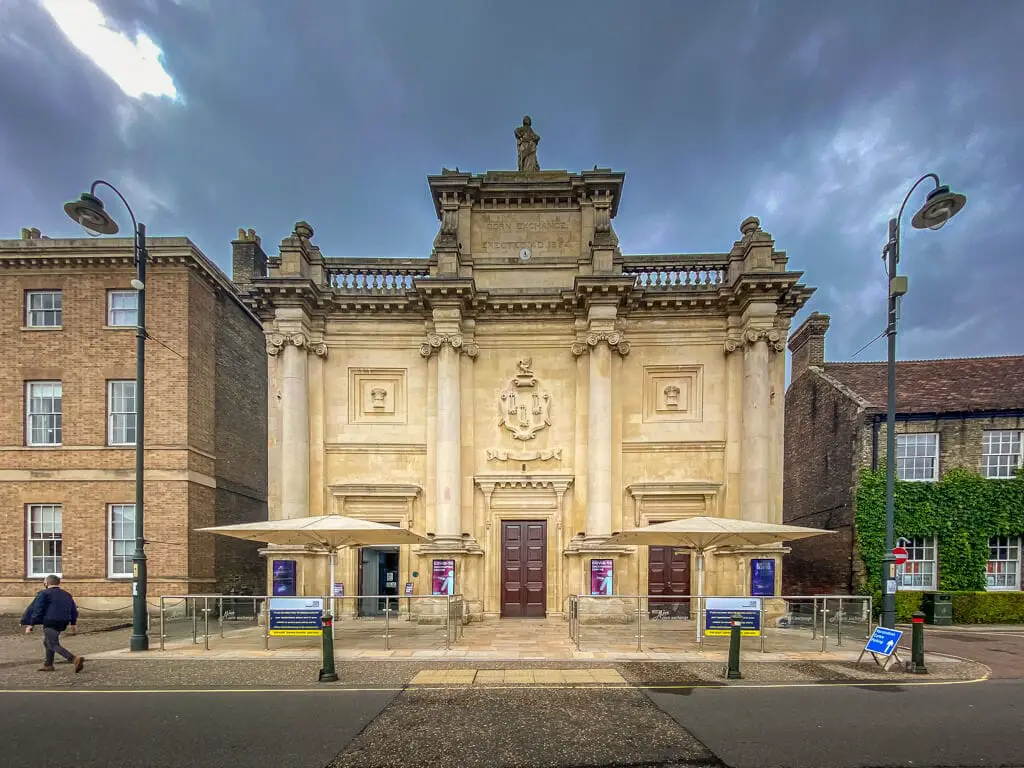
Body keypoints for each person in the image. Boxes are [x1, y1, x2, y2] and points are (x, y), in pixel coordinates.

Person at [21, 575, 85, 673]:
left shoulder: (44, 594)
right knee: (47, 642)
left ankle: (74, 659)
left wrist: (31, 624)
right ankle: (48, 665)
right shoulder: (66, 594)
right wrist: (73, 623)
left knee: (52, 643)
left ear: (46, 583)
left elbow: (38, 610)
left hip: (50, 621)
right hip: (63, 622)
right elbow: (73, 609)